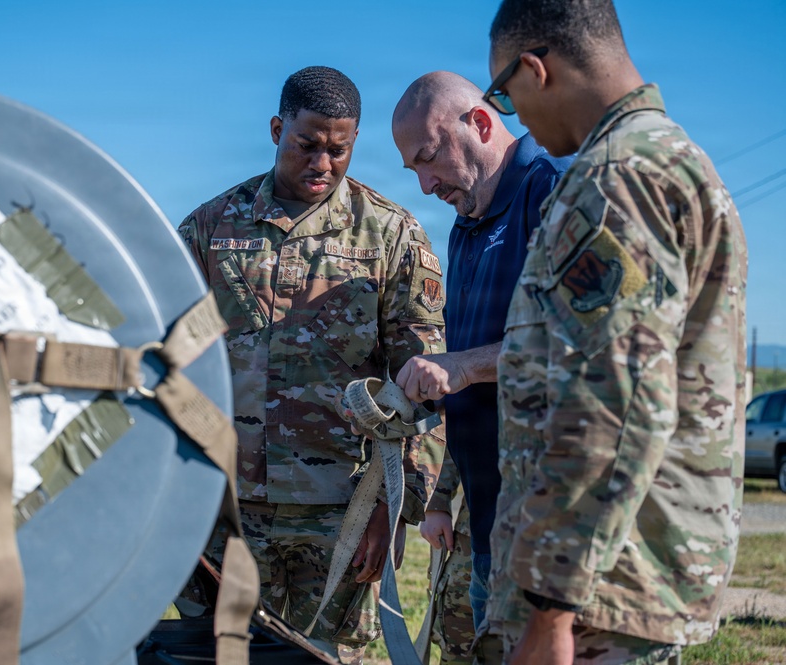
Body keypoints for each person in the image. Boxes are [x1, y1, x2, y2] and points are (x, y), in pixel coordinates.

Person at [480, 1, 748, 663]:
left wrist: (550, 607)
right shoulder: (670, 159)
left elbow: (615, 399)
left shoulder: (615, 178)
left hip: (595, 600)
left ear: (534, 69)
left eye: (504, 97)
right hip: (623, 576)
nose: (515, 118)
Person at [177, 66, 447, 663]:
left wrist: (395, 508)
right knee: (219, 653)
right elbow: (165, 357)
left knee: (326, 656)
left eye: (339, 150)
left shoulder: (391, 236)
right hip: (224, 508)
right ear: (278, 130)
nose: (322, 163)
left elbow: (425, 383)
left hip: (342, 513)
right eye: (307, 144)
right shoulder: (210, 227)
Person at [391, 71, 572, 663]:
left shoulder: (555, 192)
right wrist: (442, 493)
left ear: (481, 123)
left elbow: (583, 342)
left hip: (550, 530)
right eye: (412, 169)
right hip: (489, 520)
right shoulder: (467, 222)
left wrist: (465, 366)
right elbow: (464, 377)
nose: (425, 185)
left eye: (428, 158)